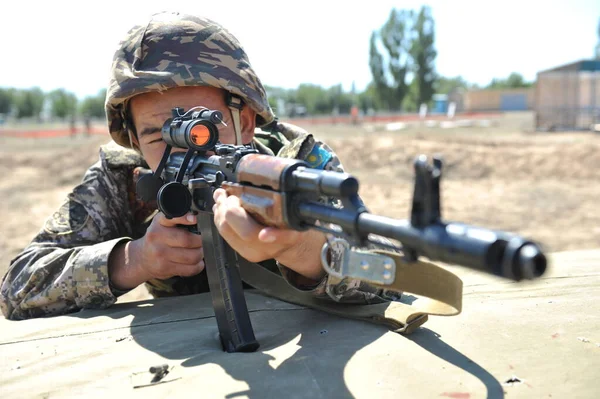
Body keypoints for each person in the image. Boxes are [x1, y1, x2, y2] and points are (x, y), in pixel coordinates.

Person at [1, 12, 399, 320]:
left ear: (244, 121)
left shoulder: (292, 162)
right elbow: (16, 287)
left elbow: (392, 270)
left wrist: (304, 249)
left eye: (202, 128)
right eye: (159, 136)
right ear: (135, 140)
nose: (185, 150)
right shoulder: (125, 178)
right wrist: (135, 259)